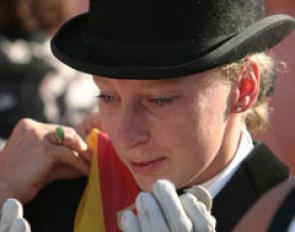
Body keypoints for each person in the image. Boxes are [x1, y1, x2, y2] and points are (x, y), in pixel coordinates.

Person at [0, 0, 294, 231]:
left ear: (243, 87)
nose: (126, 135)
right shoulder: (51, 199)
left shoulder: (282, 215)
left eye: (159, 100)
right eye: (108, 96)